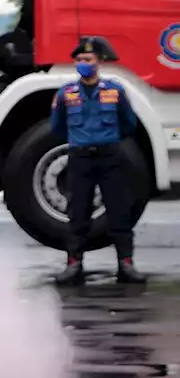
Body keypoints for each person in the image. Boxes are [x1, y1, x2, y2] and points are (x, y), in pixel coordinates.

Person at [50, 37, 146, 285]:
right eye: (79, 60)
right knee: (78, 214)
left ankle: (126, 265)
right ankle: (74, 265)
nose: (84, 63)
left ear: (98, 62)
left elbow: (129, 123)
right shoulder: (65, 94)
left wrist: (107, 140)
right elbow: (57, 126)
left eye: (88, 59)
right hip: (80, 160)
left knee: (119, 213)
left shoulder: (115, 90)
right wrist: (81, 141)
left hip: (110, 158)